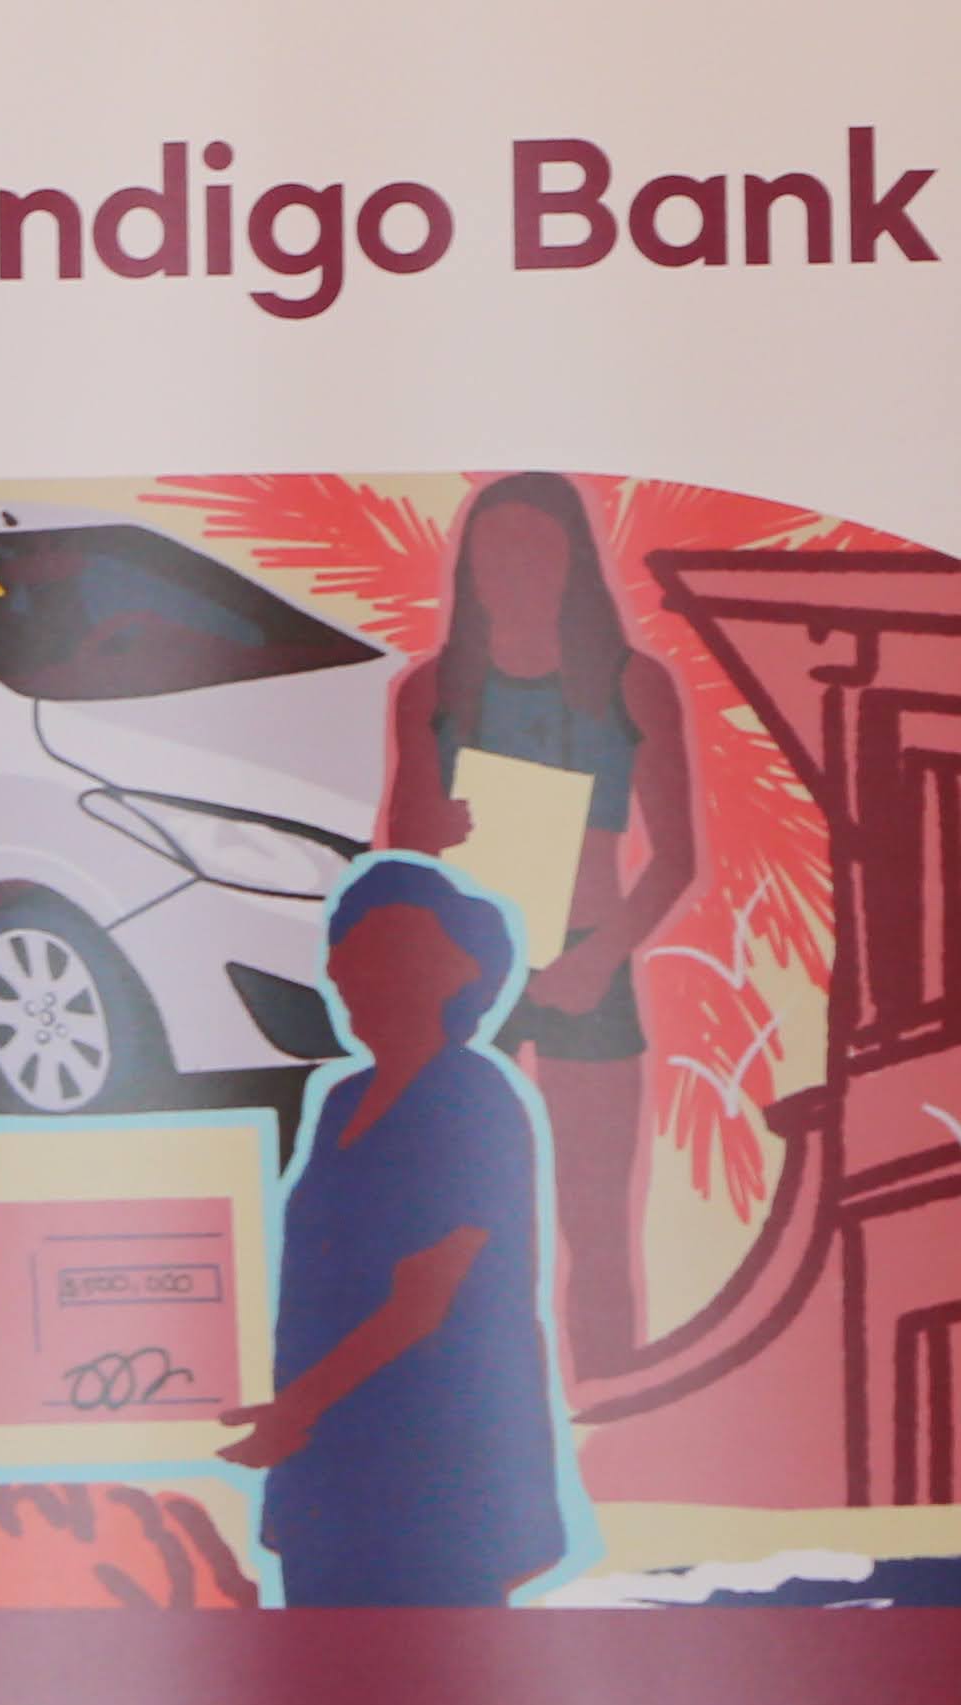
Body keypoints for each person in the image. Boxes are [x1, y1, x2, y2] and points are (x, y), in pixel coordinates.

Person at [374, 471, 699, 1373]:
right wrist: (441, 830)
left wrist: (598, 959)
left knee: (594, 1222)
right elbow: (402, 851)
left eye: (534, 547)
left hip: (588, 966)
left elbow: (675, 856)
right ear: (469, 564)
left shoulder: (629, 685)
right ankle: (472, 1406)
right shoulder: (432, 690)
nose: (513, 567)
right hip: (466, 975)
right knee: (463, 1213)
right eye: (494, 548)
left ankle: (605, 1394)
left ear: (571, 561)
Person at [216, 857, 569, 1607]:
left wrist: (298, 1409)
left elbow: (425, 1298)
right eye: (345, 953)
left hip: (432, 1463)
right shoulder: (342, 1100)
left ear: (457, 970)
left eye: (383, 952)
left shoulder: (470, 1096)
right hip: (329, 1458)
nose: (349, 973)